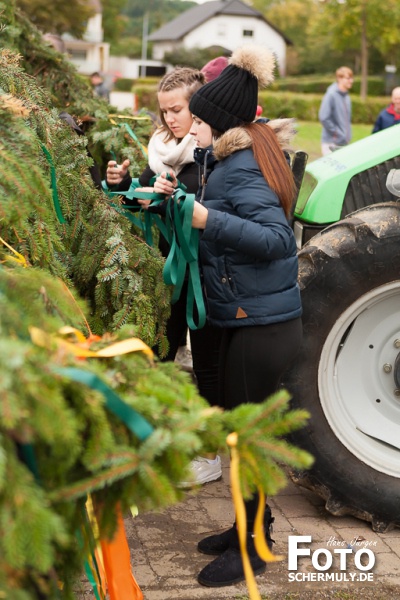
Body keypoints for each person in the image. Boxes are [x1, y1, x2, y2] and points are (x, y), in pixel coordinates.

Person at [154, 45, 302, 588]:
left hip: (261, 326)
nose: (187, 129)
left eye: (195, 120)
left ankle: (251, 549)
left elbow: (275, 239)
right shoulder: (232, 159)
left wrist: (204, 218)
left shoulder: (241, 170)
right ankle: (248, 525)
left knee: (245, 440)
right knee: (240, 435)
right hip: (250, 319)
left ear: (215, 122)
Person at [105, 67, 225, 485]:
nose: (170, 119)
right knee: (160, 352)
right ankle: (150, 440)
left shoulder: (213, 153)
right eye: (165, 111)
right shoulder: (162, 148)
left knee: (208, 365)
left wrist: (176, 199)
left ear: (200, 107)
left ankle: (210, 454)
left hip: (204, 278)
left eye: (178, 110)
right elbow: (140, 198)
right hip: (169, 275)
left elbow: (213, 211)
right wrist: (119, 183)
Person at [319, 66, 353, 156]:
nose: (351, 81)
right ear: (339, 78)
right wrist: (337, 134)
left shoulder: (346, 96)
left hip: (343, 143)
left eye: (352, 78)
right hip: (331, 143)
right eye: (348, 78)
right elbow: (323, 117)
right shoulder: (331, 94)